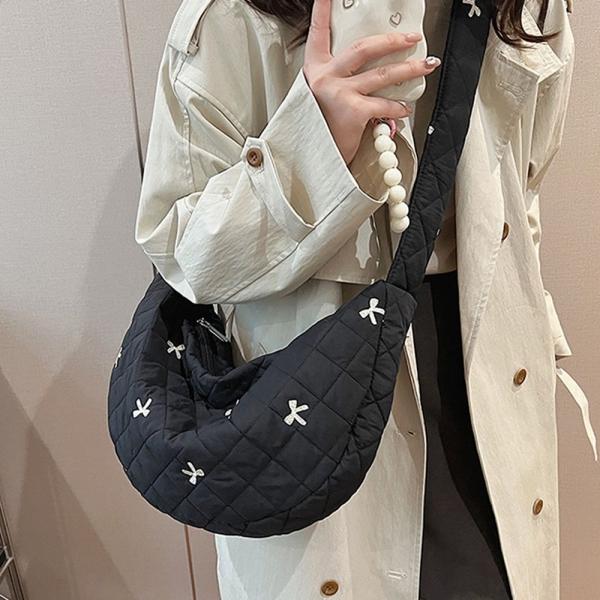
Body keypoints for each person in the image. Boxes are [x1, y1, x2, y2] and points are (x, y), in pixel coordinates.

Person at [135, 0, 595, 598]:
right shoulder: (235, 16)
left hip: (486, 369)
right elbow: (185, 254)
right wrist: (311, 144)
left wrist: (533, 331)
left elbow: (524, 184)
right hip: (313, 385)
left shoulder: (527, 5)